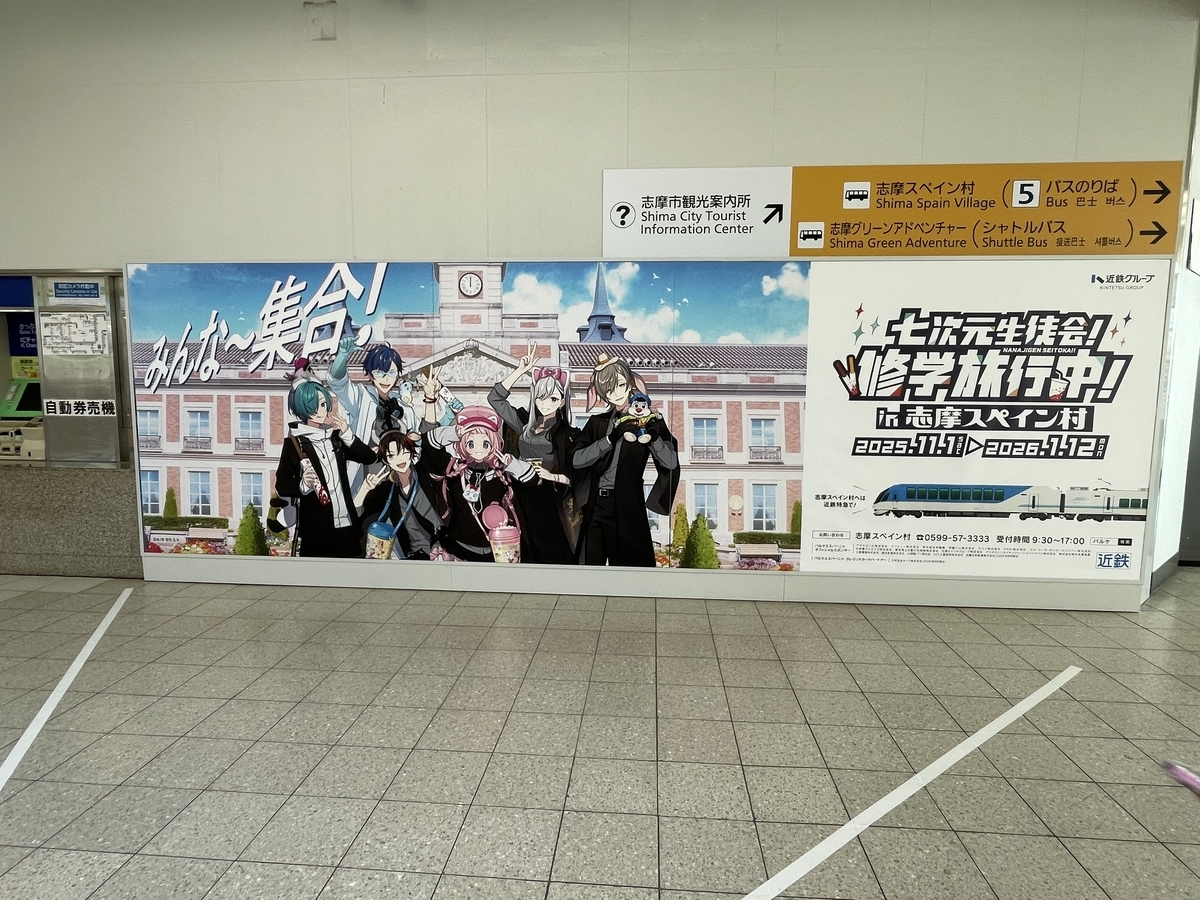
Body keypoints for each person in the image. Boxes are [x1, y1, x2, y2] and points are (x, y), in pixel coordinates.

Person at [572, 355, 679, 567]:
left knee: (630, 569)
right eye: (609, 389)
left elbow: (670, 463)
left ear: (630, 383)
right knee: (587, 568)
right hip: (596, 504)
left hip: (628, 504)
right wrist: (609, 440)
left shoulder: (650, 421)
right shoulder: (597, 423)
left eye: (620, 385)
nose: (616, 393)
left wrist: (654, 438)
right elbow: (577, 460)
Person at [420, 371, 536, 562]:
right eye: (471, 443)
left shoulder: (502, 472)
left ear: (494, 443)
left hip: (498, 551)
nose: (478, 449)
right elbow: (429, 447)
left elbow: (532, 481)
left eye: (485, 443)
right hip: (459, 550)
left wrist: (512, 464)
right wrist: (431, 402)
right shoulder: (454, 469)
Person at [487, 348, 580, 564]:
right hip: (520, 489)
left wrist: (551, 475)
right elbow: (495, 399)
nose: (545, 403)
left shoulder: (567, 434)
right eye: (540, 397)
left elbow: (574, 475)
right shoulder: (525, 425)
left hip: (546, 493)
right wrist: (520, 370)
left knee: (551, 546)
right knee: (525, 544)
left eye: (553, 398)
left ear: (562, 401)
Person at [275, 381, 376, 557]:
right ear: (304, 407)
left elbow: (369, 457)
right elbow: (282, 484)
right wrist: (303, 485)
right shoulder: (294, 444)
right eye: (317, 405)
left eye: (324, 404)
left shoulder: (335, 439)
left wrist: (348, 435)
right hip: (316, 532)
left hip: (347, 528)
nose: (323, 410)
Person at [327, 337, 418, 495]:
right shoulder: (361, 397)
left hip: (399, 477)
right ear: (370, 374)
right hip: (368, 476)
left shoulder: (404, 408)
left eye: (391, 373)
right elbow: (338, 382)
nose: (386, 378)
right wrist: (342, 356)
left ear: (397, 375)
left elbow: (416, 446)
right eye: (379, 373)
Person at [354, 430, 441, 560]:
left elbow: (434, 452)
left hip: (443, 546)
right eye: (391, 456)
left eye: (403, 452)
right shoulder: (388, 489)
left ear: (411, 452)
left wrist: (420, 438)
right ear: (386, 460)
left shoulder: (424, 473)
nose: (399, 459)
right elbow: (355, 515)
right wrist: (364, 489)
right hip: (416, 554)